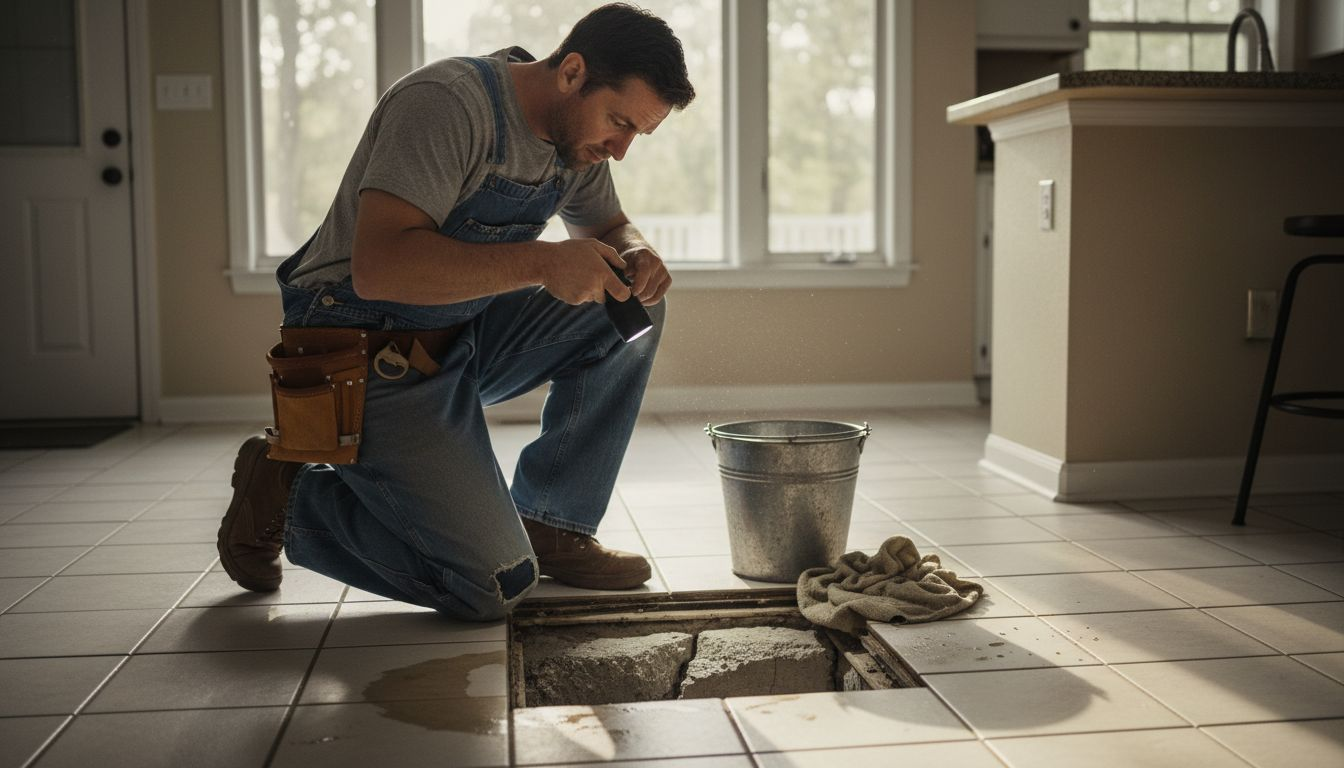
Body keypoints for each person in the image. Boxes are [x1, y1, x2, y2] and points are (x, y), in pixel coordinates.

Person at [215, 3, 694, 621]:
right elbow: (380, 267)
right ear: (572, 72)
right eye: (619, 123)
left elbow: (609, 226)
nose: (620, 150)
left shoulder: (574, 143)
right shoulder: (447, 103)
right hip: (360, 353)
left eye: (636, 136)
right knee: (492, 588)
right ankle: (292, 495)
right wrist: (543, 263)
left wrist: (635, 251)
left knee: (633, 309)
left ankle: (552, 523)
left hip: (457, 336)